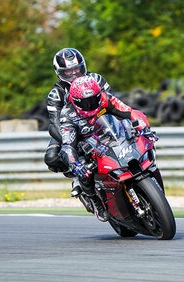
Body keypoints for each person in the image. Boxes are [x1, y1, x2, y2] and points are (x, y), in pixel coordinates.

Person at [58, 75, 160, 221]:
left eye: (93, 100)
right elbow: (67, 145)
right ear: (75, 102)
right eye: (85, 103)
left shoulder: (106, 99)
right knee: (84, 173)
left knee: (142, 141)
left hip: (111, 136)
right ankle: (96, 202)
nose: (90, 105)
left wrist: (145, 128)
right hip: (86, 147)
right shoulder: (67, 115)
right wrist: (76, 165)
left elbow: (131, 112)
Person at [44, 48, 112, 196]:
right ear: (59, 72)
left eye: (77, 69)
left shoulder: (97, 80)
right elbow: (55, 124)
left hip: (98, 120)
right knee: (51, 157)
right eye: (68, 71)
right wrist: (73, 143)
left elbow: (112, 103)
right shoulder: (56, 94)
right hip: (70, 128)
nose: (74, 74)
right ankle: (77, 174)